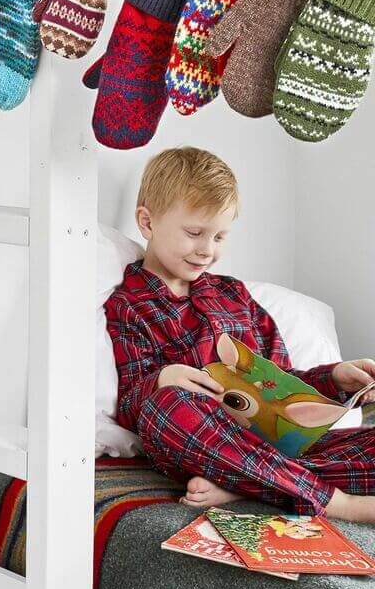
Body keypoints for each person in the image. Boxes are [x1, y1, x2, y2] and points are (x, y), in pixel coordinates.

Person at [106, 146, 375, 521]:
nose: (206, 250)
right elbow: (132, 409)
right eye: (195, 233)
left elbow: (283, 388)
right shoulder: (130, 304)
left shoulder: (234, 295)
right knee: (167, 407)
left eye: (219, 237)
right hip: (199, 441)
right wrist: (163, 380)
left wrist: (335, 380)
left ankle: (245, 484)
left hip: (274, 445)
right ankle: (338, 503)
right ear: (148, 223)